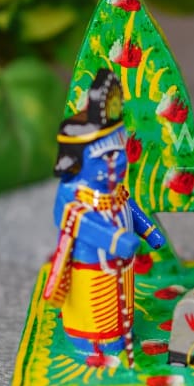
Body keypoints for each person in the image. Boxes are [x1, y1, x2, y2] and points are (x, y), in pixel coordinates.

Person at [44, 69, 165, 367]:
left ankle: (121, 337)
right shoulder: (72, 196)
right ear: (75, 161)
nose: (119, 160)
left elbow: (128, 205)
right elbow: (85, 224)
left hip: (122, 269)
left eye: (119, 152)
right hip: (92, 270)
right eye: (107, 156)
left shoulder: (114, 191)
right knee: (100, 319)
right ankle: (97, 346)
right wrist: (118, 240)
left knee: (123, 314)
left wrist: (148, 231)